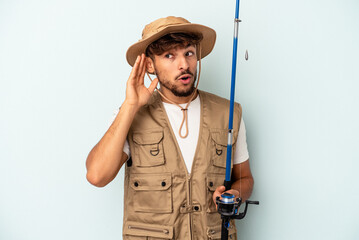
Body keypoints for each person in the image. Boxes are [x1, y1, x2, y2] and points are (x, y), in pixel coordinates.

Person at [86, 16, 254, 240]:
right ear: (149, 65)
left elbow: (245, 178)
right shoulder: (130, 115)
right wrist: (130, 105)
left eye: (189, 53)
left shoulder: (229, 113)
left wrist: (235, 194)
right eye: (169, 56)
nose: (183, 64)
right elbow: (97, 175)